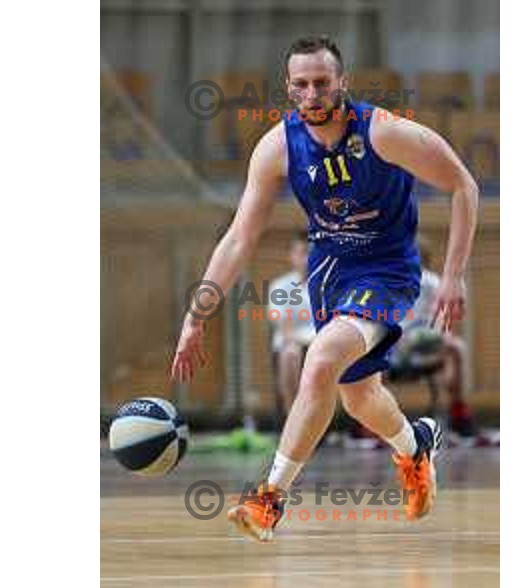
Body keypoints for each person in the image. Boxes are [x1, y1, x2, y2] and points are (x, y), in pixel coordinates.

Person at [172, 35, 478, 542]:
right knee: (359, 398)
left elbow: (463, 185)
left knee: (319, 361)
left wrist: (452, 274)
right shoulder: (276, 146)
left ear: (342, 83)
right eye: (301, 85)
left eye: (321, 83)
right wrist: (195, 315)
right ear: (289, 89)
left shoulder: (386, 133)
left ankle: (268, 499)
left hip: (386, 270)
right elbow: (239, 238)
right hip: (329, 273)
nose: (312, 93)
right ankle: (414, 445)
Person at [391, 238, 477, 438]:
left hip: (423, 341)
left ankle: (458, 410)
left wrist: (440, 336)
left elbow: (441, 320)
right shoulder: (391, 281)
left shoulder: (431, 282)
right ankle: (367, 423)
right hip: (393, 343)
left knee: (456, 348)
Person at [268, 233, 316, 416]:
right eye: (301, 253)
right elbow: (284, 324)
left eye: (310, 253)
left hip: (320, 340)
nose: (306, 259)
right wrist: (294, 341)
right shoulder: (281, 286)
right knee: (290, 353)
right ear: (292, 256)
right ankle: (293, 417)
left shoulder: (327, 285)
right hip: (294, 341)